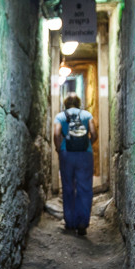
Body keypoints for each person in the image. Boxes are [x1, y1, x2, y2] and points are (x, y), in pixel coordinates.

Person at [53, 93, 98, 236]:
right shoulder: (87, 115)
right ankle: (82, 223)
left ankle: (70, 222)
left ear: (65, 103)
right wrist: (88, 145)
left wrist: (59, 149)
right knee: (84, 187)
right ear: (79, 102)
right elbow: (94, 133)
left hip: (67, 154)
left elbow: (56, 134)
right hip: (85, 154)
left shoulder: (60, 116)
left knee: (68, 187)